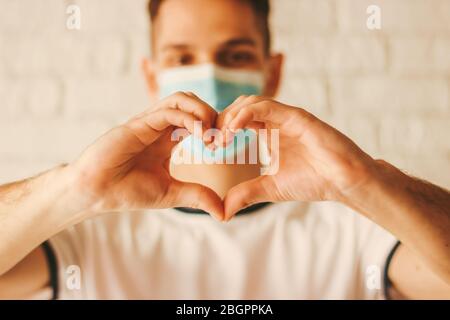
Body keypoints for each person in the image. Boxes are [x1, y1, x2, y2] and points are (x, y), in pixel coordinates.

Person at [0, 0, 449, 299]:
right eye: (182, 58)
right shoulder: (87, 231)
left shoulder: (357, 230)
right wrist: (76, 186)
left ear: (272, 74)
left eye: (235, 56)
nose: (209, 77)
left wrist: (363, 179)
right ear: (152, 76)